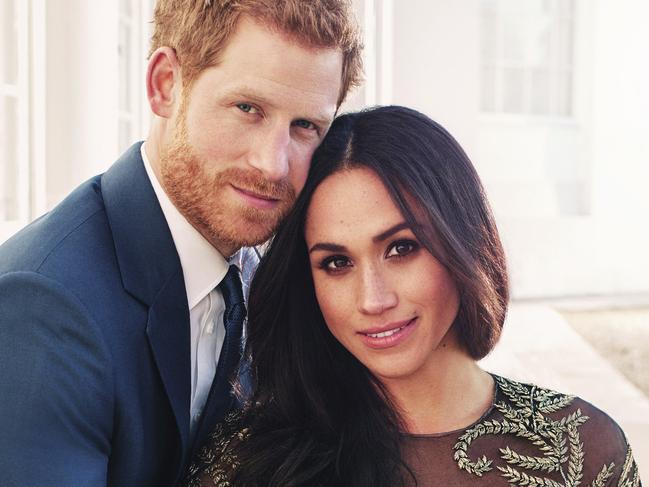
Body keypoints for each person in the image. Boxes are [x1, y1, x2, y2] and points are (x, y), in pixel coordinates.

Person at [0, 1, 362, 485]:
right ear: (165, 84)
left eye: (305, 127)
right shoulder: (44, 306)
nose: (273, 165)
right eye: (248, 108)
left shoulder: (268, 267)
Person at [186, 106, 642, 487]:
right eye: (336, 263)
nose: (373, 299)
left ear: (462, 242)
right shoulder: (248, 463)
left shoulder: (583, 452)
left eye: (402, 248)